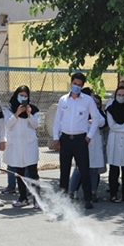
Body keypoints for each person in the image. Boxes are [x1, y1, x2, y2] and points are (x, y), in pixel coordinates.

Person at [52, 72, 100, 210]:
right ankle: (62, 201)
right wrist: (56, 137)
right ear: (71, 83)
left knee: (84, 171)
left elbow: (95, 118)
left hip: (81, 140)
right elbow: (57, 120)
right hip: (65, 139)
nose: (76, 86)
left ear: (83, 85)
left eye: (79, 85)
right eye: (74, 84)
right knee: (64, 172)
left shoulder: (88, 100)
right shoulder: (63, 100)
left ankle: (87, 199)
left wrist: (89, 136)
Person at [3, 85, 41, 208]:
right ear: (16, 95)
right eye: (21, 95)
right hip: (16, 146)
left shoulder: (33, 109)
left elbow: (35, 125)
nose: (23, 98)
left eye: (25, 96)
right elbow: (7, 124)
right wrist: (17, 113)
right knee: (19, 173)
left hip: (29, 145)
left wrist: (29, 114)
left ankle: (37, 199)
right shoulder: (9, 109)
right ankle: (23, 198)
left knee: (33, 173)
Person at [69, 93, 106, 202]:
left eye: (97, 103)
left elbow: (102, 122)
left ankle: (93, 193)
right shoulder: (81, 111)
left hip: (95, 143)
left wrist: (93, 121)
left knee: (94, 170)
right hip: (82, 143)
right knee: (79, 169)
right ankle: (71, 191)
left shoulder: (97, 112)